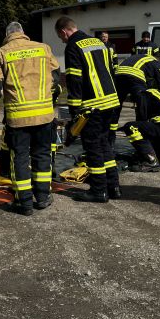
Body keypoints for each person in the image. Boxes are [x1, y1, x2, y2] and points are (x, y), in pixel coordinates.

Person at [0, 21, 61, 215]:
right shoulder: (44, 48)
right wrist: (48, 98)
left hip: (18, 119)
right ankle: (43, 197)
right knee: (42, 155)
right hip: (44, 115)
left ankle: (24, 202)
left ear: (7, 35)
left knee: (19, 157)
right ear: (23, 33)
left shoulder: (1, 53)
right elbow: (56, 77)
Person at [55, 16, 121, 203]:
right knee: (106, 145)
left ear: (64, 31)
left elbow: (75, 79)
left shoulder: (73, 46)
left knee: (93, 148)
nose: (62, 40)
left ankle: (98, 190)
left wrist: (75, 111)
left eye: (61, 37)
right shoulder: (99, 43)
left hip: (93, 105)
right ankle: (113, 186)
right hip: (111, 102)